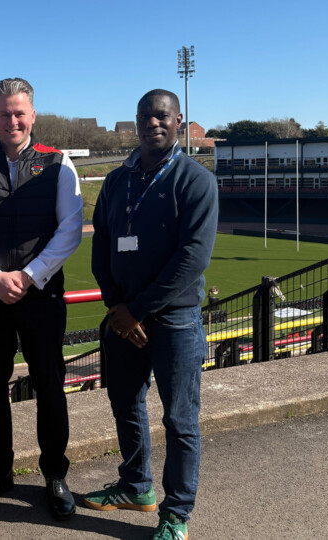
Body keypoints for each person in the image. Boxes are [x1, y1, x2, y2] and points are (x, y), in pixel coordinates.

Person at [85, 89, 217, 540]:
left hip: (174, 320)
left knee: (180, 420)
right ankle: (136, 486)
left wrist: (136, 310)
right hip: (122, 315)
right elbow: (101, 245)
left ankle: (176, 513)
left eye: (162, 115)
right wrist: (114, 305)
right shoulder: (118, 181)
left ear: (179, 120)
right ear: (136, 121)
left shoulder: (195, 180)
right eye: (145, 115)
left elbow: (192, 259)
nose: (152, 123)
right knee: (125, 403)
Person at [0, 77, 83, 520]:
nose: (13, 120)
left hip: (41, 297)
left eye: (20, 112)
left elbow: (70, 230)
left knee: (50, 385)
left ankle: (55, 474)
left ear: (33, 115)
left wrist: (28, 276)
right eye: (5, 113)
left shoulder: (58, 163)